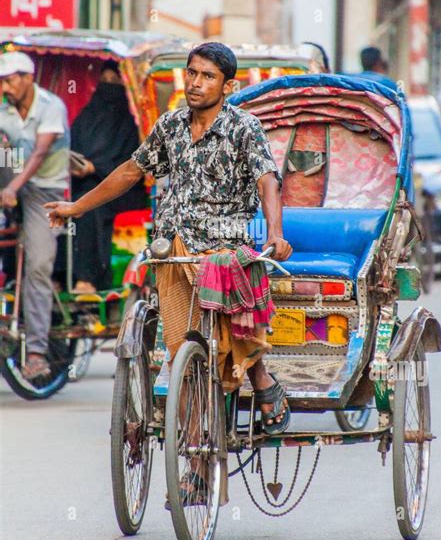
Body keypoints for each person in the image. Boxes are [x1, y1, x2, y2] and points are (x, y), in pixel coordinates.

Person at [45, 42, 293, 441]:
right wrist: (76, 207)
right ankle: (195, 455)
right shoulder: (170, 126)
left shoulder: (244, 128)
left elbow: (267, 179)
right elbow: (129, 171)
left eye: (207, 76)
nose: (196, 83)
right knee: (181, 354)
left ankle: (260, 375)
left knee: (229, 289)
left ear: (227, 86)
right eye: (192, 73)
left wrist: (276, 233)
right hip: (173, 246)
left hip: (225, 244)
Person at [0, 51, 69, 380]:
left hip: (45, 191)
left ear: (28, 78)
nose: (6, 86)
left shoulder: (51, 105)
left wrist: (13, 187)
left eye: (11, 79)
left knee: (38, 265)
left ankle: (38, 352)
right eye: (3, 80)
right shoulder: (3, 108)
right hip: (8, 187)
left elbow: (40, 153)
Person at [69, 60, 146, 293]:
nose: (109, 87)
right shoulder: (87, 115)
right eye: (105, 81)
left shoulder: (131, 122)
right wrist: (77, 165)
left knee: (91, 206)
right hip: (85, 183)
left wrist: (96, 167)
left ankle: (89, 279)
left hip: (125, 190)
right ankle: (61, 276)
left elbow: (133, 163)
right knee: (66, 203)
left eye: (115, 82)